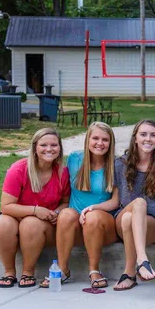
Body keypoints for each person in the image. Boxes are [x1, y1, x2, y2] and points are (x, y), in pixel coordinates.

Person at [41, 122, 119, 289]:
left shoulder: (116, 165)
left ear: (111, 143)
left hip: (103, 222)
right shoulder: (75, 159)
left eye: (105, 139)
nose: (100, 143)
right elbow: (61, 188)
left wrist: (94, 208)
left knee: (92, 217)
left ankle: (94, 270)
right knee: (67, 214)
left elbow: (116, 201)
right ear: (87, 139)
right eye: (95, 138)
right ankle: (62, 269)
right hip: (75, 224)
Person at [0, 128, 70, 288]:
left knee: (31, 224)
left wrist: (56, 212)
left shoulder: (62, 172)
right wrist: (35, 210)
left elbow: (66, 202)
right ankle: (9, 272)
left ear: (60, 148)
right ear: (35, 148)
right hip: (16, 216)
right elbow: (6, 206)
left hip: (44, 225)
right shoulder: (19, 169)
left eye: (54, 145)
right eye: (44, 145)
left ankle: (28, 271)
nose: (49, 149)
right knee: (1, 223)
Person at [113, 119, 155, 291]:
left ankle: (129, 273)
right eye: (143, 134)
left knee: (130, 218)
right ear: (135, 138)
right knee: (137, 205)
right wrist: (93, 208)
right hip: (122, 218)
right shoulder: (121, 164)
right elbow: (115, 200)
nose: (148, 139)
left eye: (153, 135)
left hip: (152, 225)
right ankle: (142, 260)